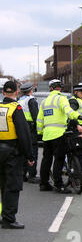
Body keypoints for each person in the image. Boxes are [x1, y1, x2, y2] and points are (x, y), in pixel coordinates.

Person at [37, 80, 82, 194]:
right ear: (60, 88)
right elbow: (68, 110)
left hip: (47, 135)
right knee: (59, 160)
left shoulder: (44, 102)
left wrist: (40, 132)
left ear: (50, 88)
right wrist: (79, 117)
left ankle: (44, 184)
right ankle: (59, 185)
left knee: (46, 160)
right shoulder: (61, 98)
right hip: (59, 134)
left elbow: (39, 120)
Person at [0, 81, 35, 229]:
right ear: (16, 93)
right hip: (12, 153)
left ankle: (3, 215)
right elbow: (23, 134)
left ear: (3, 93)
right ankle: (9, 218)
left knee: (2, 185)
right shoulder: (16, 108)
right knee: (12, 186)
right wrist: (29, 156)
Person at [18, 83, 39, 184]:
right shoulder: (31, 100)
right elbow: (36, 116)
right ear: (31, 90)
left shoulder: (19, 100)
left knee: (23, 150)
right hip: (30, 128)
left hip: (21, 127)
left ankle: (22, 174)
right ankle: (32, 175)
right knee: (32, 151)